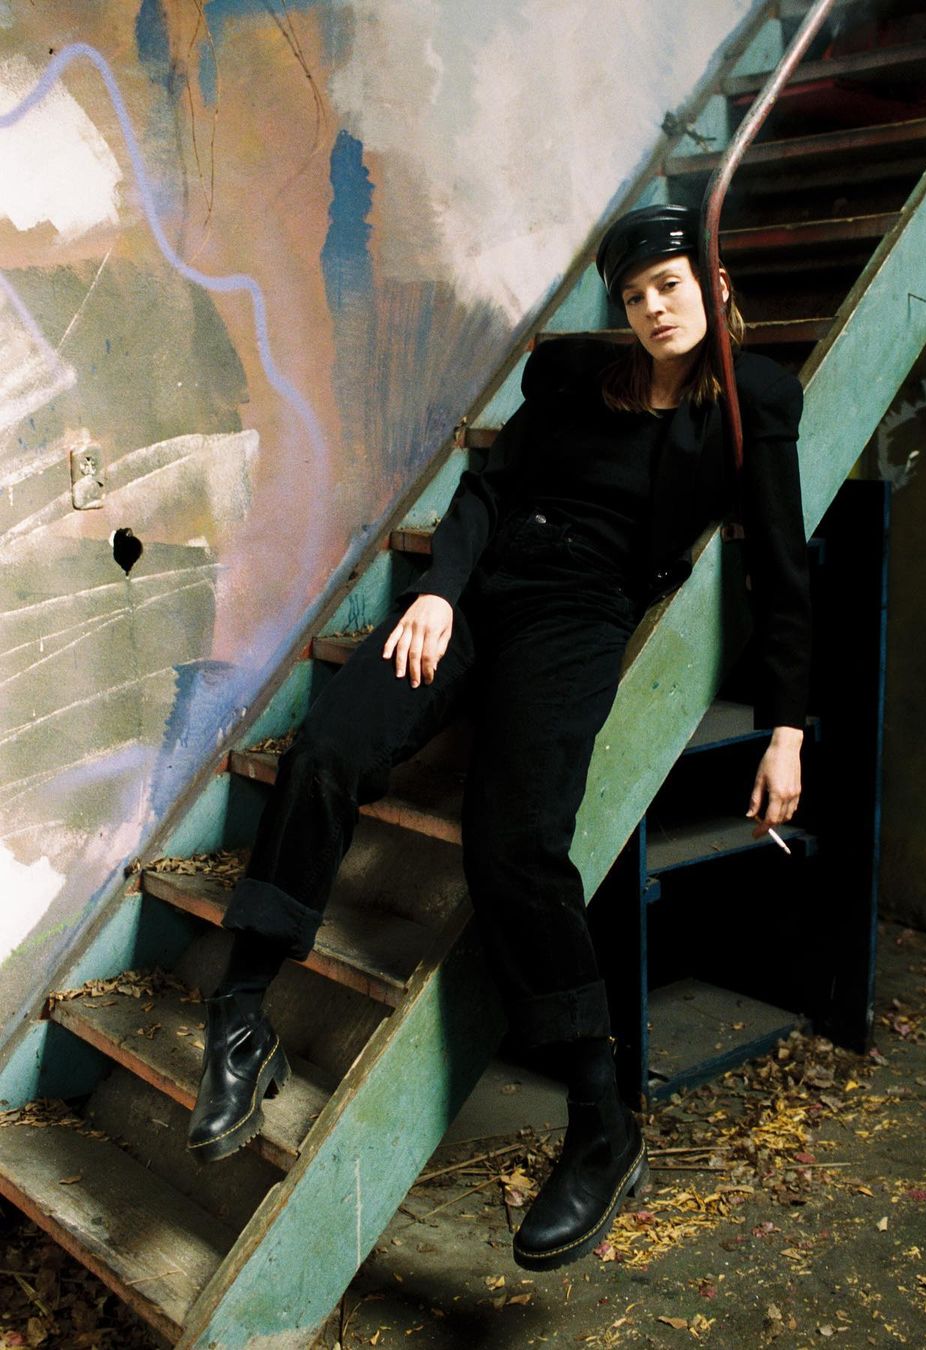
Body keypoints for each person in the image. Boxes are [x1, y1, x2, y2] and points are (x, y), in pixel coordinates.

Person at [186, 203, 811, 1272]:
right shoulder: (579, 381)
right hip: (482, 590)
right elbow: (488, 487)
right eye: (635, 296)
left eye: (669, 286)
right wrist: (438, 590)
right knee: (328, 749)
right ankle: (242, 1014)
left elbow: (783, 568)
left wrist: (786, 728)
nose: (654, 309)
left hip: (581, 615)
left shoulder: (754, 399)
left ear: (712, 283)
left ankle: (602, 1120)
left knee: (515, 842)